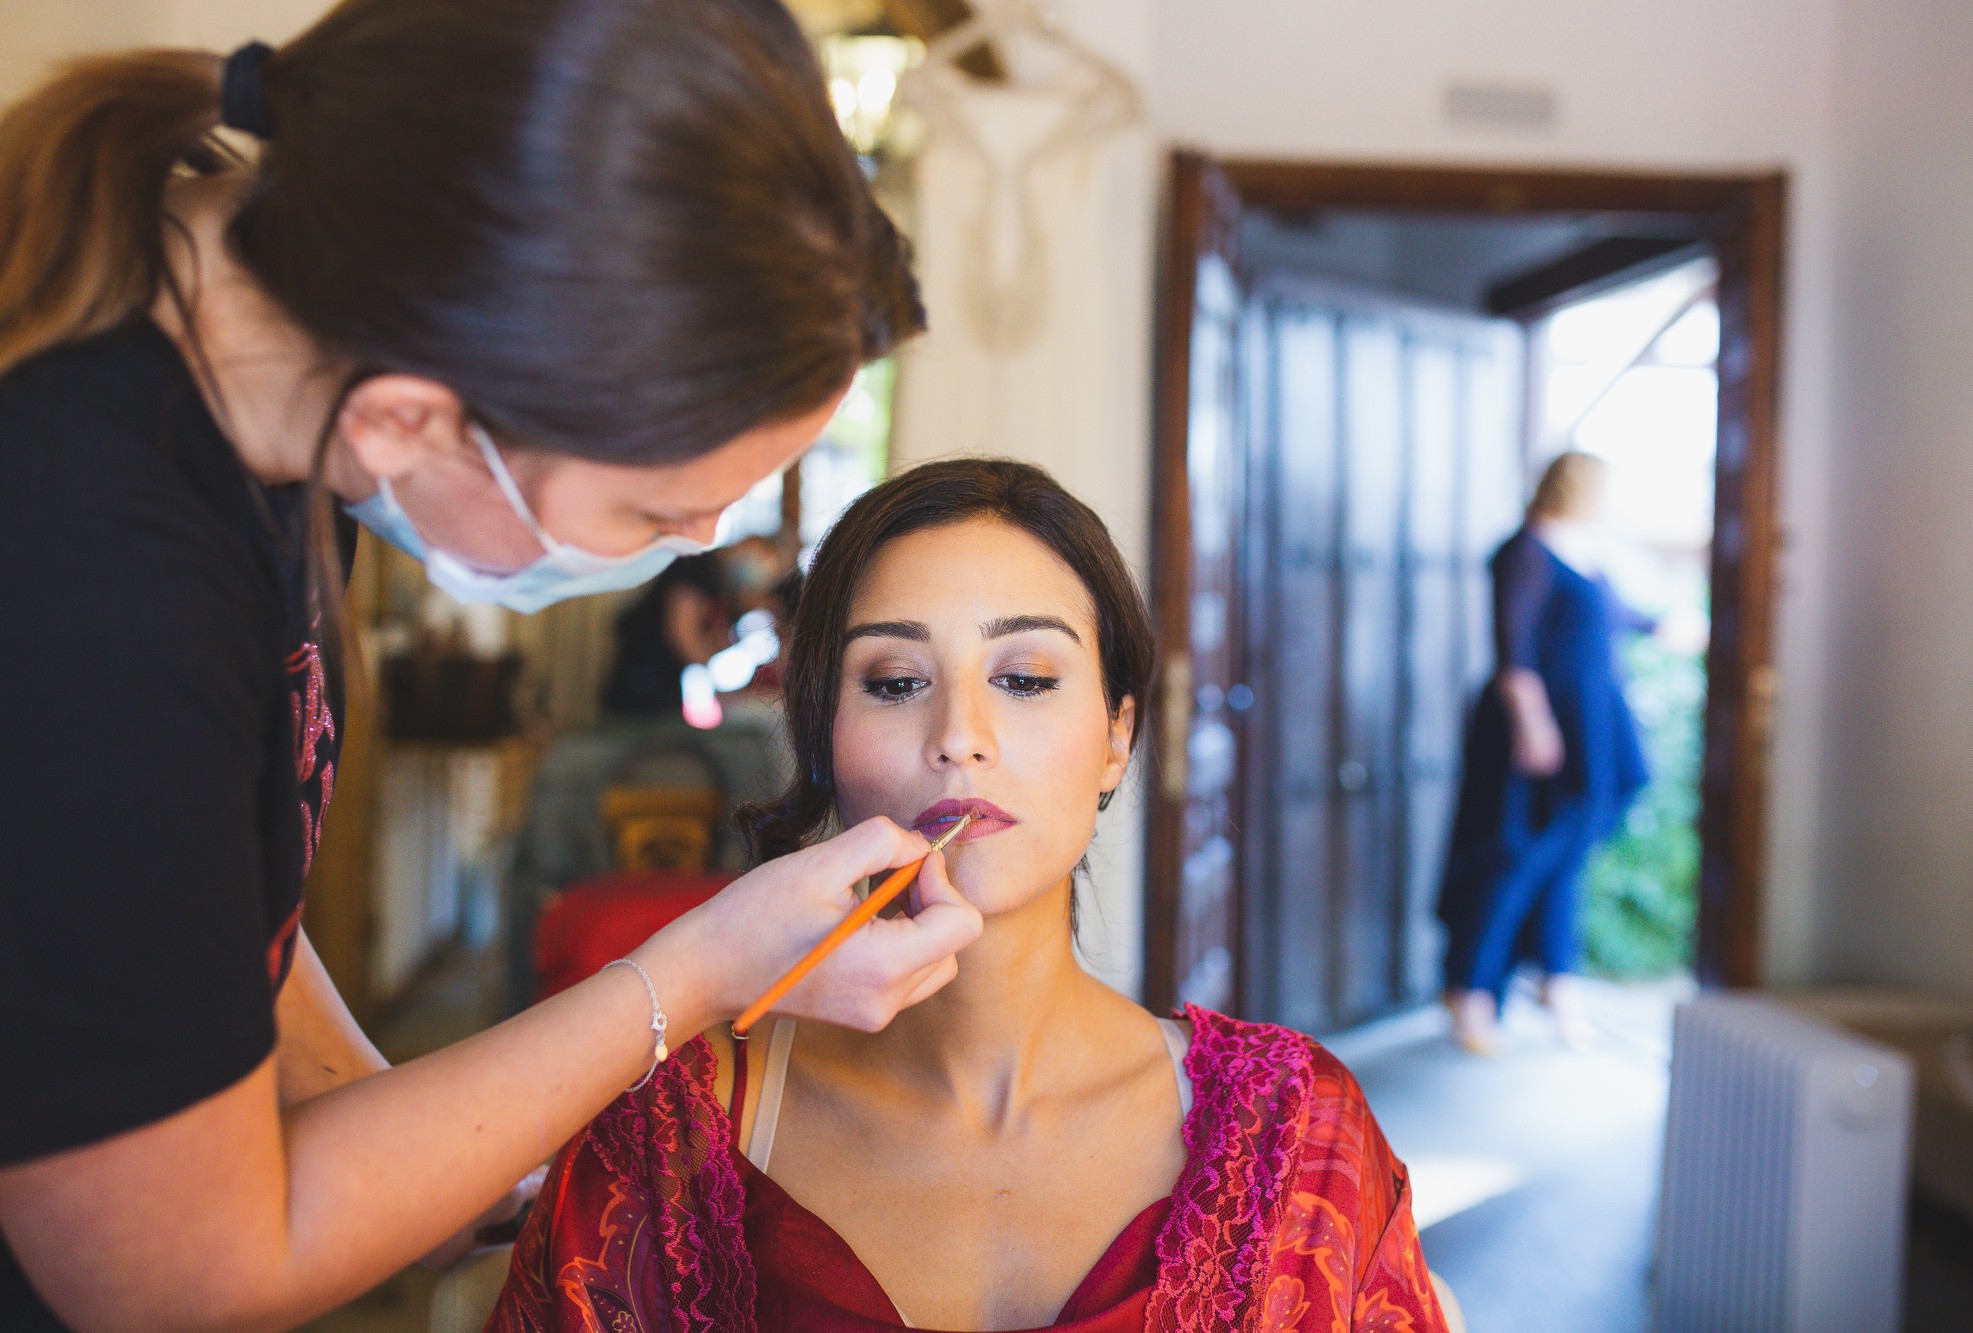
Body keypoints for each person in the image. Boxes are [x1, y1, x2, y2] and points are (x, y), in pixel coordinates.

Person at [0, 5, 987, 1330]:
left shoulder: (281, 434)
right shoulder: (82, 568)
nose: (697, 545)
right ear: (415, 417)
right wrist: (696, 971)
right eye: (655, 513)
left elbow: (198, 912)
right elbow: (179, 1277)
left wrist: (377, 1109)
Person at [489, 460, 1449, 1333]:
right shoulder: (664, 1143)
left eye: (1026, 677)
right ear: (823, 736)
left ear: (1118, 735)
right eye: (898, 680)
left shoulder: (1301, 1138)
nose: (960, 735)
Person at [1436, 451, 1655, 1055]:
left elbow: (1608, 622)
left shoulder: (1586, 549)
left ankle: (1557, 981)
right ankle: (1472, 993)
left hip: (1592, 721)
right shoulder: (1525, 551)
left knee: (1565, 855)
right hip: (1540, 724)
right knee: (1515, 855)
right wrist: (1534, 726)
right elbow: (1516, 650)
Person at [601, 554, 736, 718]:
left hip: (654, 683)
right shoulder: (696, 565)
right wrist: (721, 681)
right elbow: (682, 634)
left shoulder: (715, 576)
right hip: (647, 686)